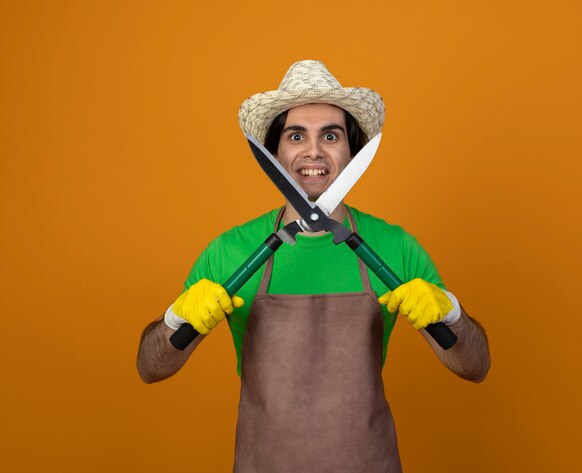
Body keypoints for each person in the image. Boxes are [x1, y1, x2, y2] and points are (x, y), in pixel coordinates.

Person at [137, 60, 490, 472]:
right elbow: (151, 368)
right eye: (296, 135)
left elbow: (474, 366)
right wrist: (175, 320)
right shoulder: (230, 251)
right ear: (275, 152)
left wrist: (453, 314)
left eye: (331, 135)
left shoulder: (395, 248)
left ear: (351, 151)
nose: (314, 152)